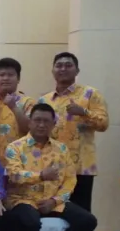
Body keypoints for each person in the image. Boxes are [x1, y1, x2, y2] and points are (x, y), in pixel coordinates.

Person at [0, 103, 98, 231]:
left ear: (53, 124)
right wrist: (40, 176)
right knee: (30, 222)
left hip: (52, 200)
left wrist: (54, 201)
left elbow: (70, 180)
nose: (41, 125)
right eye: (37, 120)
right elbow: (14, 176)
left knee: (88, 221)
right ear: (29, 122)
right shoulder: (15, 147)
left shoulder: (61, 149)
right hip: (23, 199)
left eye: (46, 121)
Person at [39, 52, 109, 216]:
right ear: (53, 70)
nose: (63, 69)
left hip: (81, 167)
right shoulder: (44, 100)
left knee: (81, 215)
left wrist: (84, 112)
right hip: (52, 166)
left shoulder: (90, 94)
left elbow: (104, 124)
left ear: (77, 71)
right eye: (59, 65)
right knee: (53, 213)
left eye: (68, 65)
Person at [0, 58, 35, 166]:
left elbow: (31, 129)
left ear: (18, 79)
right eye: (1, 75)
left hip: (21, 162)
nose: (6, 78)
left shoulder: (28, 102)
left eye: (10, 75)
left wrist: (14, 107)